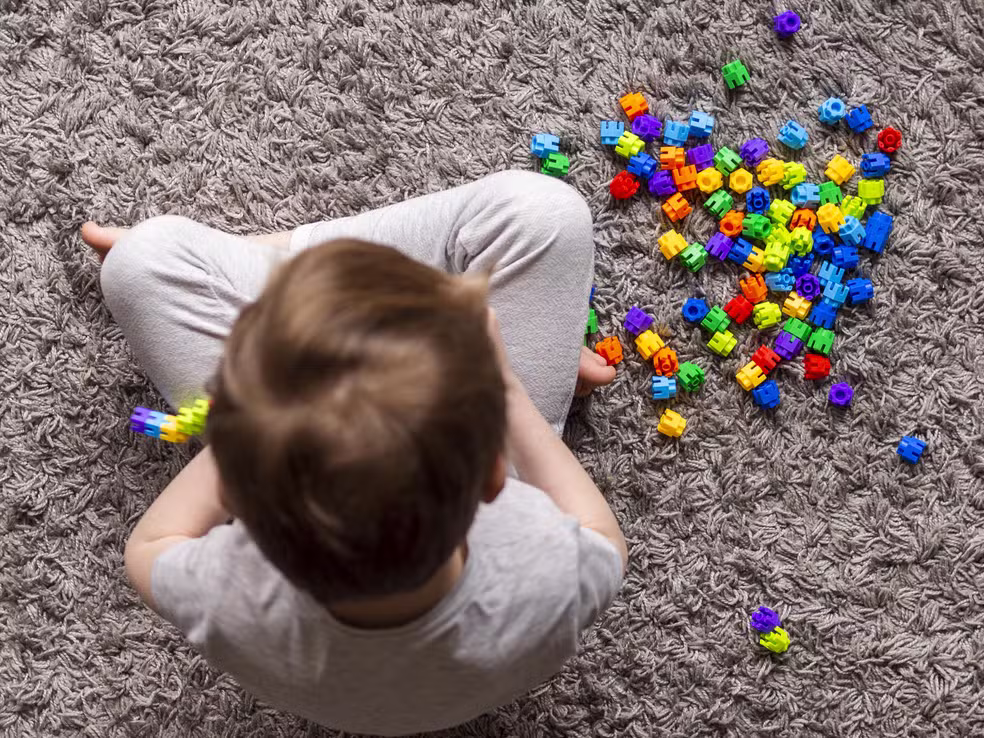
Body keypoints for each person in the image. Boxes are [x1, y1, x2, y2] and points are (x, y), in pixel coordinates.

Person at [83, 170, 626, 736]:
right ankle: (339, 299)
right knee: (546, 211)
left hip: (302, 454)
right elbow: (602, 535)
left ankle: (279, 276)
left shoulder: (231, 595)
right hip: (465, 441)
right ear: (492, 472)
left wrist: (253, 417)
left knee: (138, 262)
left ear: (237, 496)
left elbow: (150, 544)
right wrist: (510, 387)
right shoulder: (542, 576)